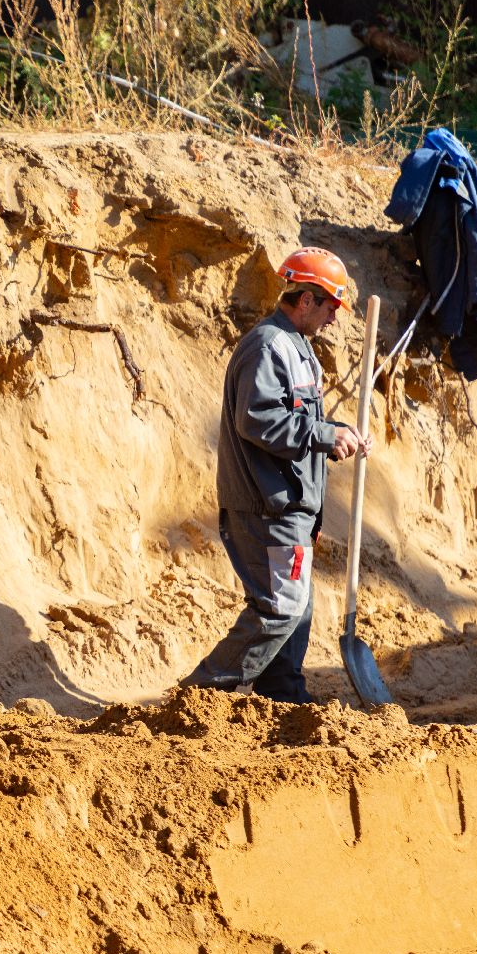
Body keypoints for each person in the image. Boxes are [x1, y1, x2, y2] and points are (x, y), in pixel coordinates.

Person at [180, 248, 373, 705]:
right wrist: (324, 435)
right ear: (305, 299)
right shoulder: (268, 347)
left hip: (290, 506)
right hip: (266, 506)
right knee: (281, 608)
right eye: (330, 307)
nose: (334, 319)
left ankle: (283, 697)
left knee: (297, 608)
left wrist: (337, 435)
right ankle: (200, 695)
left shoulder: (298, 349)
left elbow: (297, 424)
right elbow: (258, 419)